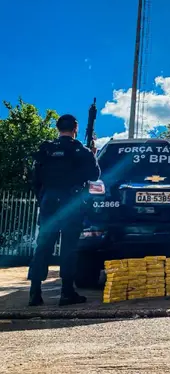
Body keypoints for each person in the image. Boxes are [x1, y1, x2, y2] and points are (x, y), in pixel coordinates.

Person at [28, 114, 101, 307]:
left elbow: (35, 178)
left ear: (58, 128)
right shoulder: (81, 150)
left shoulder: (46, 149)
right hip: (71, 202)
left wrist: (43, 198)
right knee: (69, 247)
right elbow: (94, 175)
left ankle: (34, 293)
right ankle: (67, 292)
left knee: (43, 246)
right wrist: (93, 154)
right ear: (75, 128)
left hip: (49, 201)